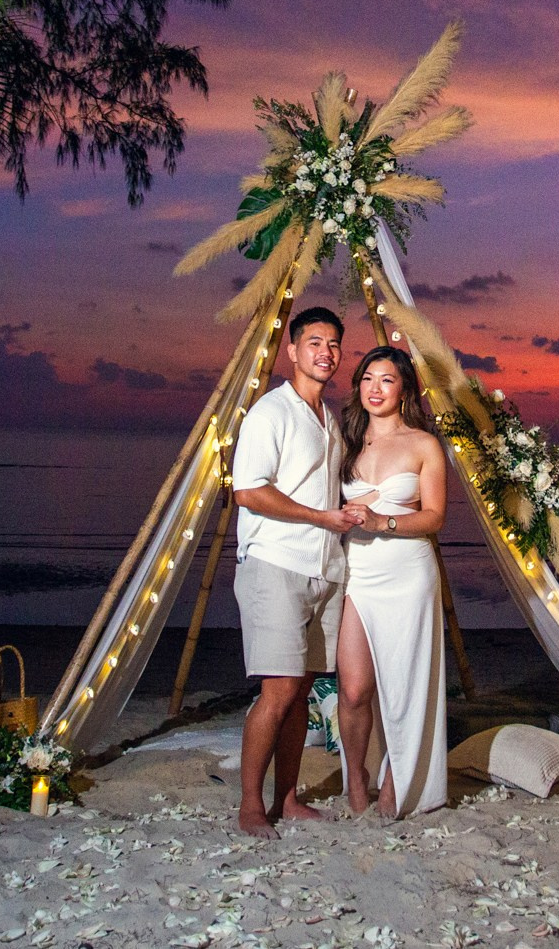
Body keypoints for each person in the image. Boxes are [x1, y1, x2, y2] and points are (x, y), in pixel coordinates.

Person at [228, 306, 364, 838]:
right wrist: (320, 516)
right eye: (314, 342)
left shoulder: (329, 419)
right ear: (292, 349)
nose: (325, 353)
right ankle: (249, 806)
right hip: (276, 566)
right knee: (278, 691)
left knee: (302, 693)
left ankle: (286, 799)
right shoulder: (271, 412)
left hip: (325, 568)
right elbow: (248, 490)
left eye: (333, 344)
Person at [334, 346, 450, 820]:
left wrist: (385, 523)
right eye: (367, 378)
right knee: (355, 688)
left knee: (405, 683)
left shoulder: (424, 444)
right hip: (358, 572)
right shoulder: (346, 442)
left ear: (403, 390)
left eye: (386, 380)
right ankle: (355, 779)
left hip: (408, 572)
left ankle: (397, 780)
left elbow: (436, 516)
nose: (374, 388)